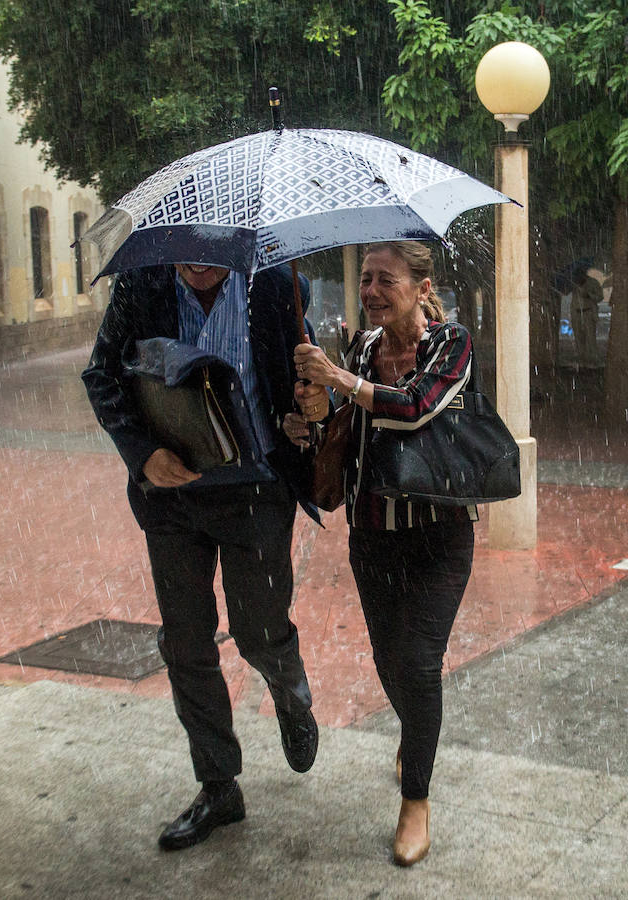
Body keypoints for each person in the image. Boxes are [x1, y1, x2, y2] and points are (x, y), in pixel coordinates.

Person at [82, 261, 329, 851]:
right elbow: (102, 375)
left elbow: (307, 385)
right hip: (172, 498)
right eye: (186, 247)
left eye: (212, 249)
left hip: (257, 490)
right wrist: (142, 455)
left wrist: (312, 407)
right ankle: (219, 785)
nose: (197, 263)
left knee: (258, 630)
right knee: (187, 642)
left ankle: (290, 695)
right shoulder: (140, 287)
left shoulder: (275, 285)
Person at [285, 242, 476, 867]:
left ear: (421, 287)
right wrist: (314, 411)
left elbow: (416, 407)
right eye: (364, 279)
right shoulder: (362, 348)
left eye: (384, 280)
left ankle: (415, 799)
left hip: (439, 535)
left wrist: (340, 378)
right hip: (372, 533)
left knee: (418, 665)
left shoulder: (451, 344)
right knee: (389, 662)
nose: (369, 291)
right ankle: (418, 731)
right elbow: (346, 421)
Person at [570, 265, 603, 368]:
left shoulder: (593, 282)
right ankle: (582, 360)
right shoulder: (574, 284)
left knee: (590, 337)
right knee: (579, 337)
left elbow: (600, 297)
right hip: (577, 313)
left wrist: (589, 295)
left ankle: (592, 360)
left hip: (588, 313)